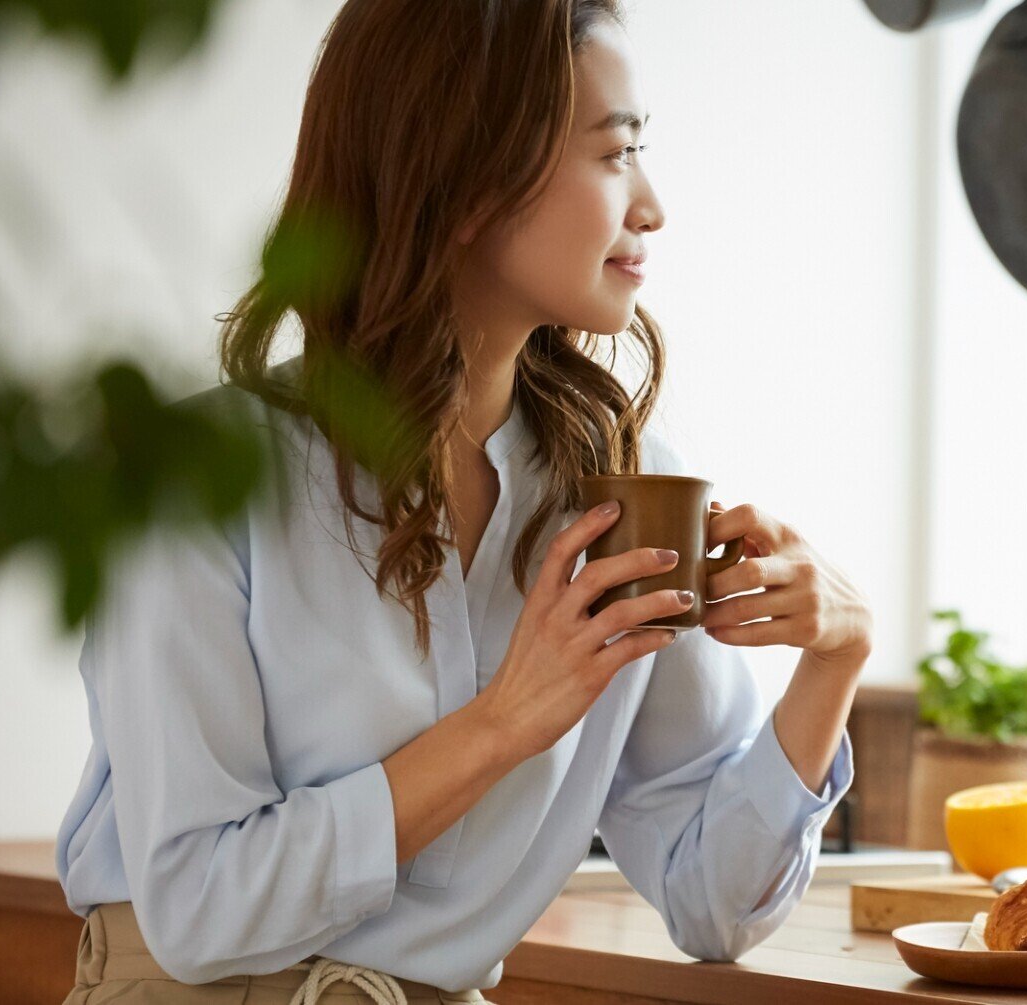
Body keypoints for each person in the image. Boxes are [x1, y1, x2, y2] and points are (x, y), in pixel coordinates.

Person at [52, 1, 872, 1000]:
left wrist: (835, 657)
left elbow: (715, 904)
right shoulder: (197, 476)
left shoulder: (618, 490)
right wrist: (503, 724)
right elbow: (199, 911)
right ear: (470, 176)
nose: (652, 206)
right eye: (615, 153)